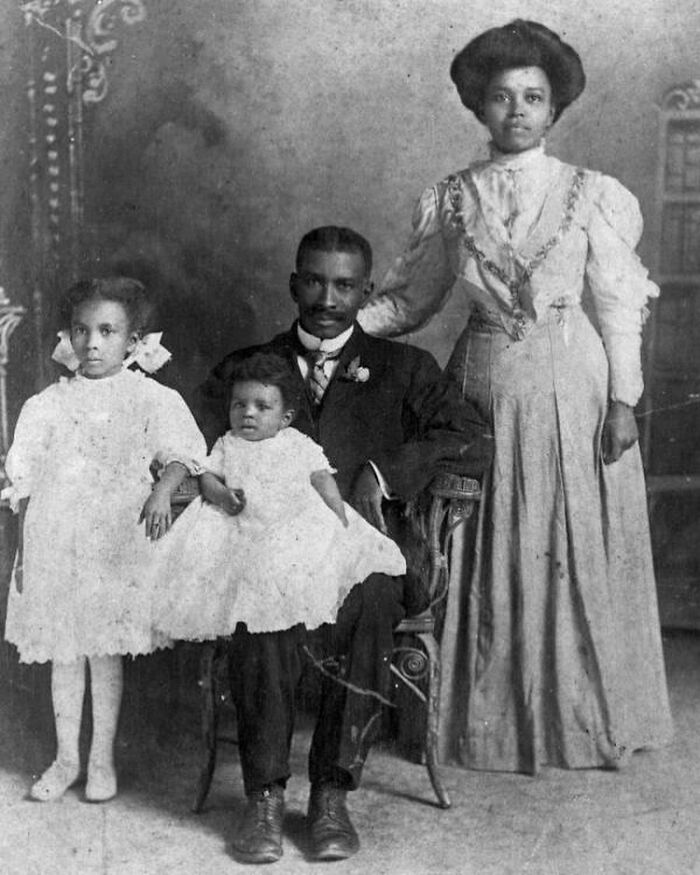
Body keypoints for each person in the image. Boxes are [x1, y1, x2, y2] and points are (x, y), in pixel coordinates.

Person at [358, 19, 673, 774]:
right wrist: (332, 333)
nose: (518, 111)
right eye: (502, 97)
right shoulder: (451, 199)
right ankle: (483, 721)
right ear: (480, 106)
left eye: (533, 97)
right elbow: (411, 302)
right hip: (482, 389)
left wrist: (623, 400)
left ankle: (579, 718)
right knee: (480, 531)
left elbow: (617, 303)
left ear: (554, 107)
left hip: (575, 388)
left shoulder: (592, 194)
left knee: (570, 538)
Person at [195, 225, 492, 864]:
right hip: (262, 550)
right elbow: (190, 447)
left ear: (366, 291)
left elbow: (471, 436)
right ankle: (264, 797)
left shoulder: (405, 368)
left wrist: (384, 473)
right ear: (293, 283)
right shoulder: (250, 367)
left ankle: (331, 793)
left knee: (374, 597)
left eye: (344, 285)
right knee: (260, 601)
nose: (327, 299)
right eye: (314, 281)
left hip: (356, 551)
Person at [2, 277, 206, 803]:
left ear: (132, 340)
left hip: (114, 542)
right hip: (57, 539)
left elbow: (183, 454)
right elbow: (24, 486)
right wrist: (25, 556)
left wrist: (161, 491)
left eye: (107, 331)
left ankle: (101, 759)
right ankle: (66, 758)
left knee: (103, 650)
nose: (92, 343)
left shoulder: (149, 398)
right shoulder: (47, 404)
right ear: (69, 335)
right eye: (82, 330)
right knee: (65, 652)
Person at [153, 351, 406, 641]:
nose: (248, 413)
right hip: (244, 525)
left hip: (294, 521)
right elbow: (206, 475)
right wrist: (222, 495)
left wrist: (337, 511)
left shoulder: (296, 442)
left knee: (316, 558)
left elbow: (321, 476)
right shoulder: (228, 443)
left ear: (285, 418)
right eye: (239, 405)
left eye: (261, 407)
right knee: (244, 573)